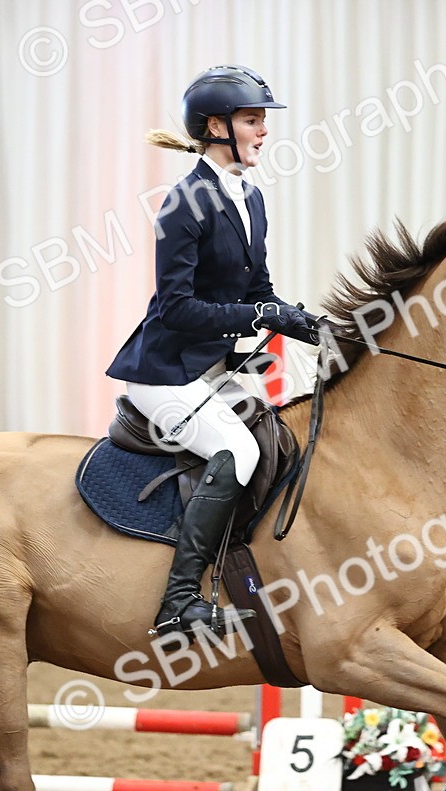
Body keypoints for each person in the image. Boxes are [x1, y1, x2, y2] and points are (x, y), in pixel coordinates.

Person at [106, 65, 314, 642]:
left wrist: (311, 325)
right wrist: (259, 317)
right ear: (217, 126)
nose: (264, 131)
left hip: (210, 370)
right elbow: (177, 308)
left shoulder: (250, 199)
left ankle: (240, 572)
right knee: (235, 451)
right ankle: (177, 603)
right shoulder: (185, 202)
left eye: (262, 121)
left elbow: (258, 294)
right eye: (253, 120)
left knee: (275, 439)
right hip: (165, 373)